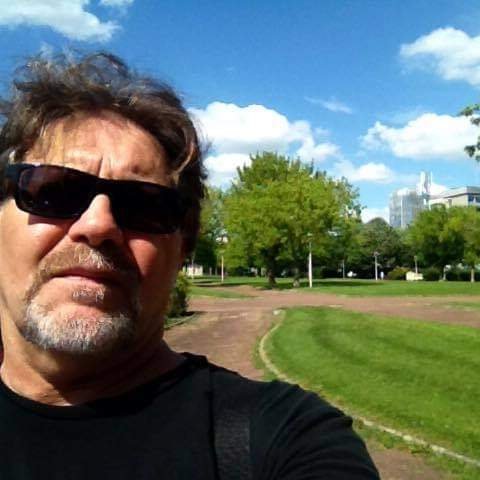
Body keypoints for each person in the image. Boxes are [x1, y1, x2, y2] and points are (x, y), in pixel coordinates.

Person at [0, 52, 379, 479]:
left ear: (183, 250)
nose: (98, 224)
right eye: (54, 191)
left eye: (144, 206)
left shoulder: (286, 435)